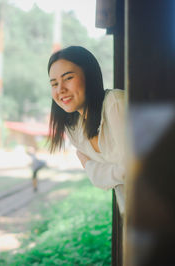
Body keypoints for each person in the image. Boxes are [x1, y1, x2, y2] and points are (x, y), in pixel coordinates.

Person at [47, 46, 126, 214]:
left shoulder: (115, 103)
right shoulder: (75, 128)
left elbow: (133, 171)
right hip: (134, 217)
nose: (60, 89)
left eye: (68, 78)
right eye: (54, 84)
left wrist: (90, 168)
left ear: (89, 76)